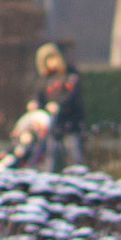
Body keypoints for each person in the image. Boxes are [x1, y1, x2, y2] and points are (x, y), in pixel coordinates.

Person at [35, 42, 85, 170]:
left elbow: (72, 96)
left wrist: (59, 106)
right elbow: (40, 98)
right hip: (53, 126)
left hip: (70, 123)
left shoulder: (69, 76)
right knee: (51, 157)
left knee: (73, 156)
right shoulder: (44, 80)